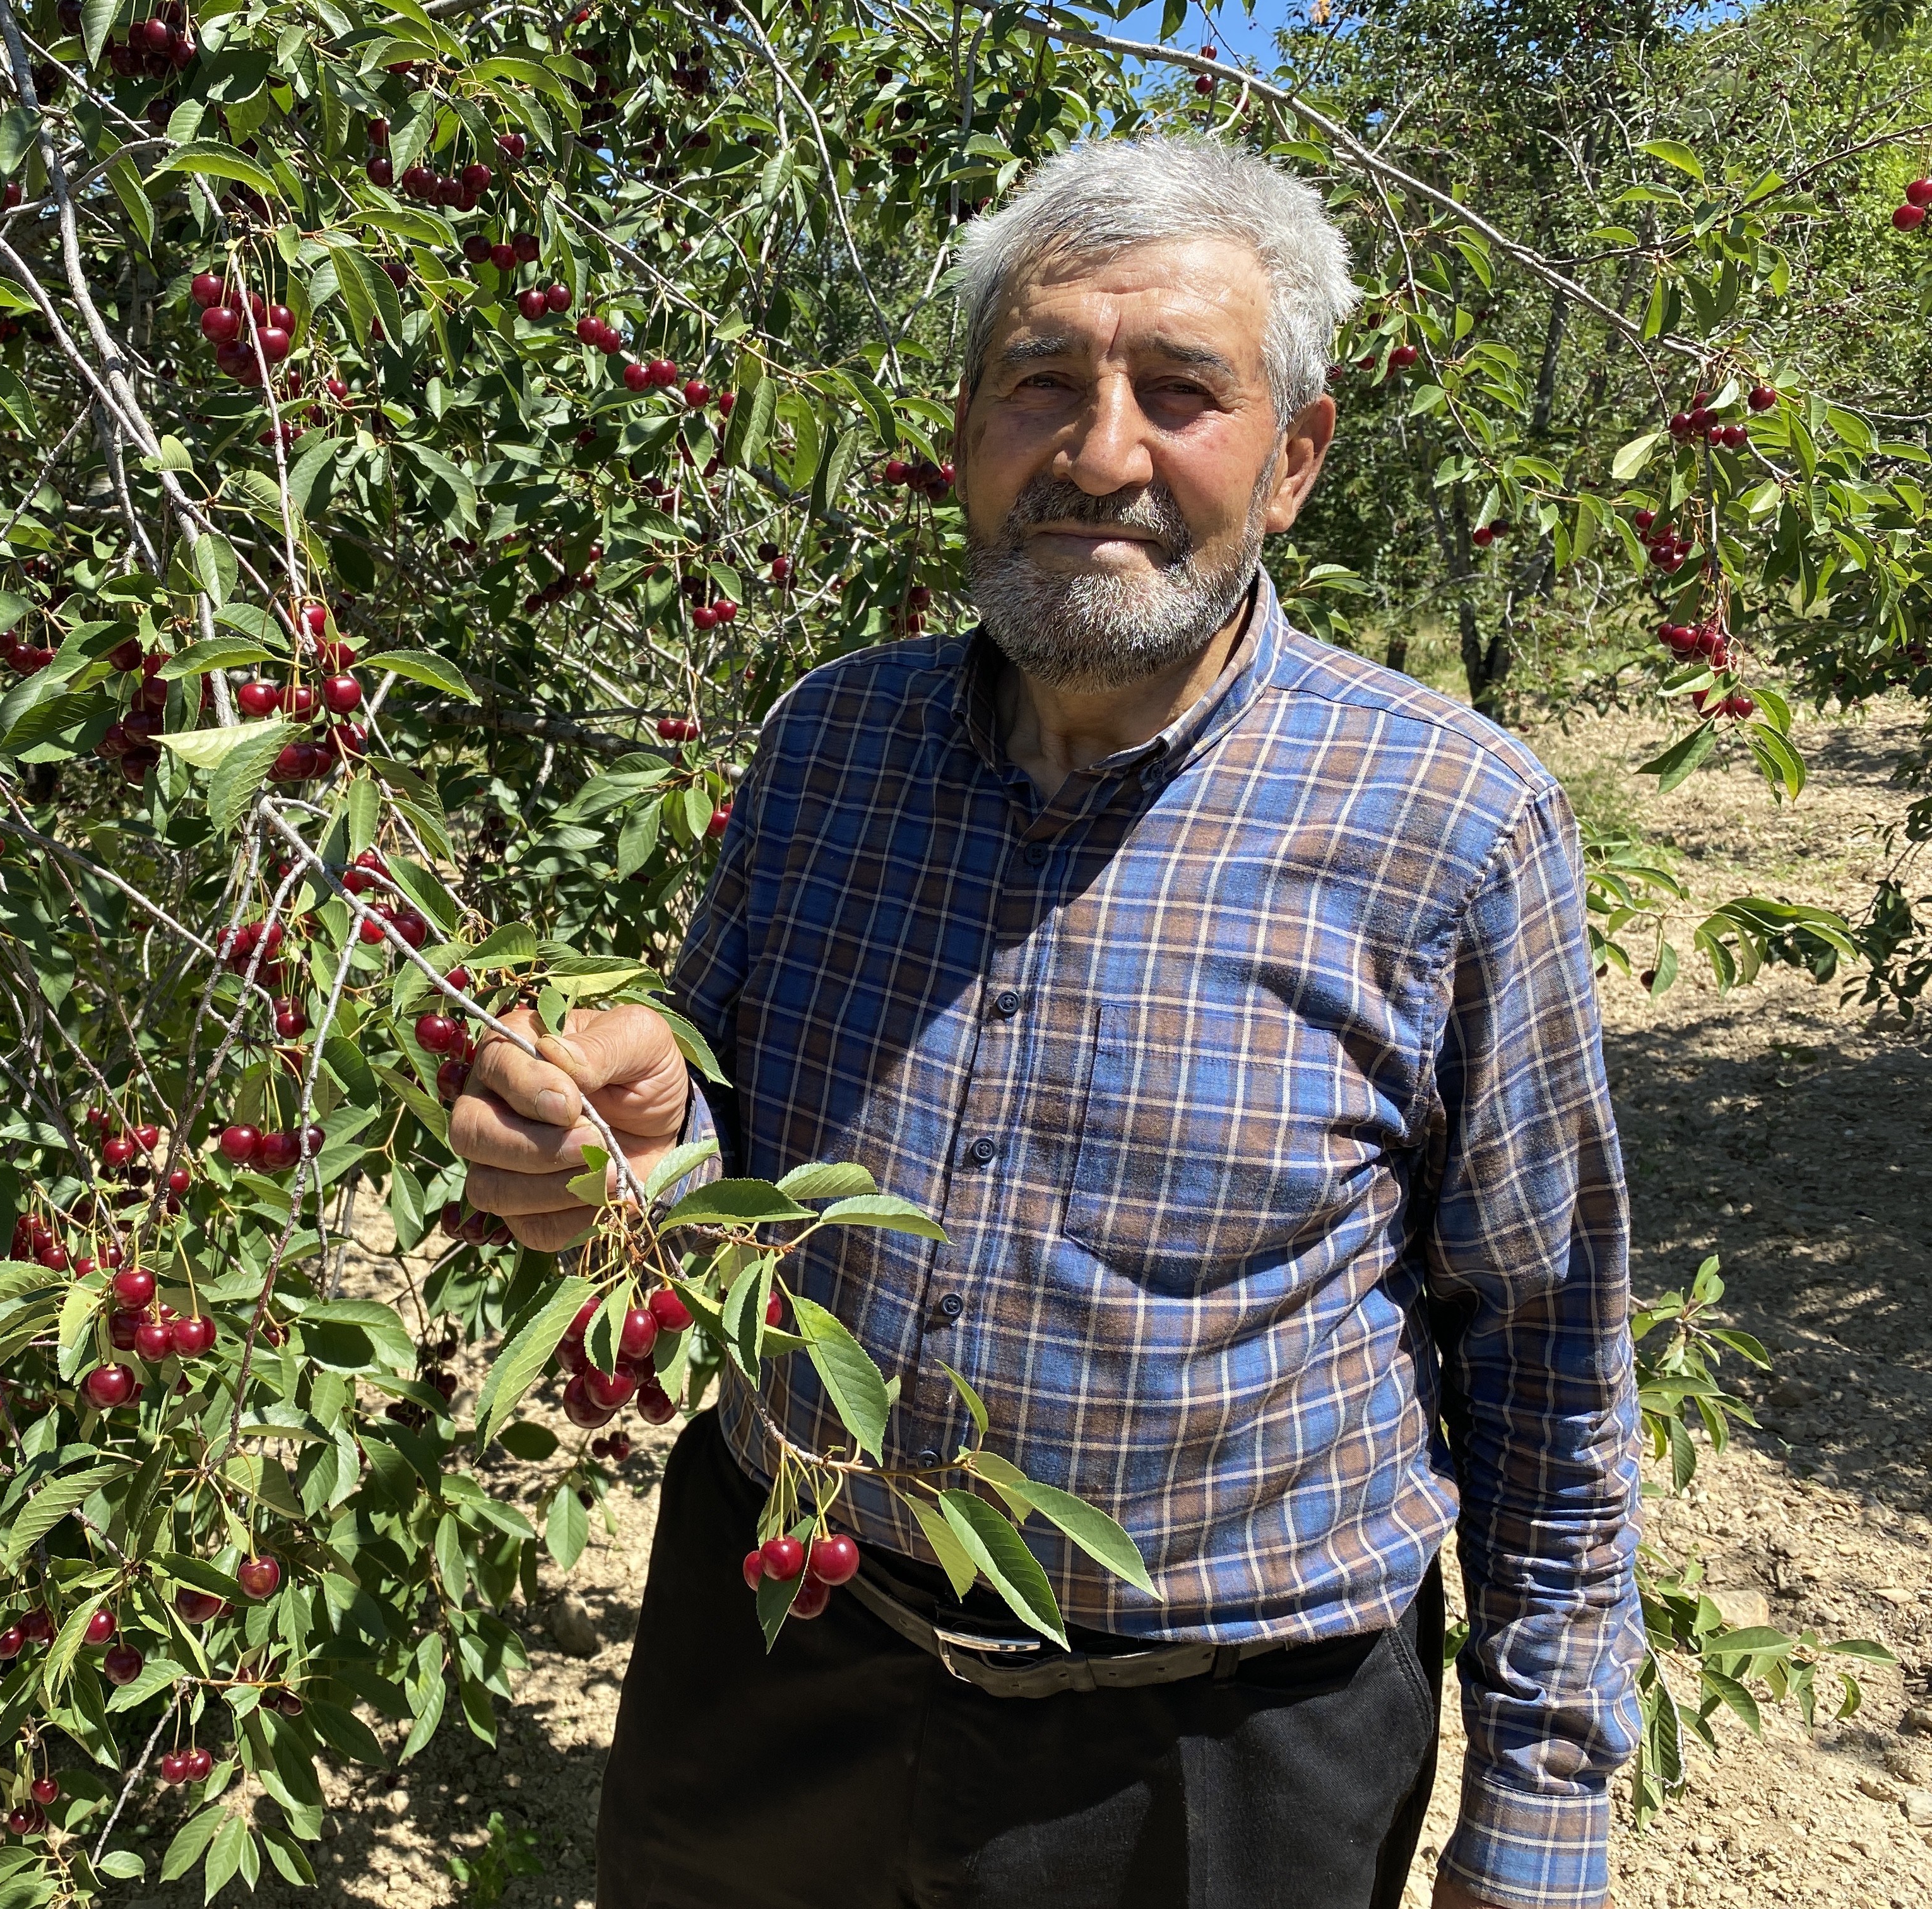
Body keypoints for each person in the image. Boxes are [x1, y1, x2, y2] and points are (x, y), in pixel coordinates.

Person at [449, 134, 1640, 1909]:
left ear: (1295, 458)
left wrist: (1537, 1816)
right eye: (1040, 385)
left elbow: (1546, 1350)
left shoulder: (1452, 823)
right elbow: (710, 1172)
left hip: (1210, 1761)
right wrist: (606, 1149)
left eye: (1181, 391)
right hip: (784, 1649)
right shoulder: (826, 747)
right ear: (961, 441)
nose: (1100, 453)